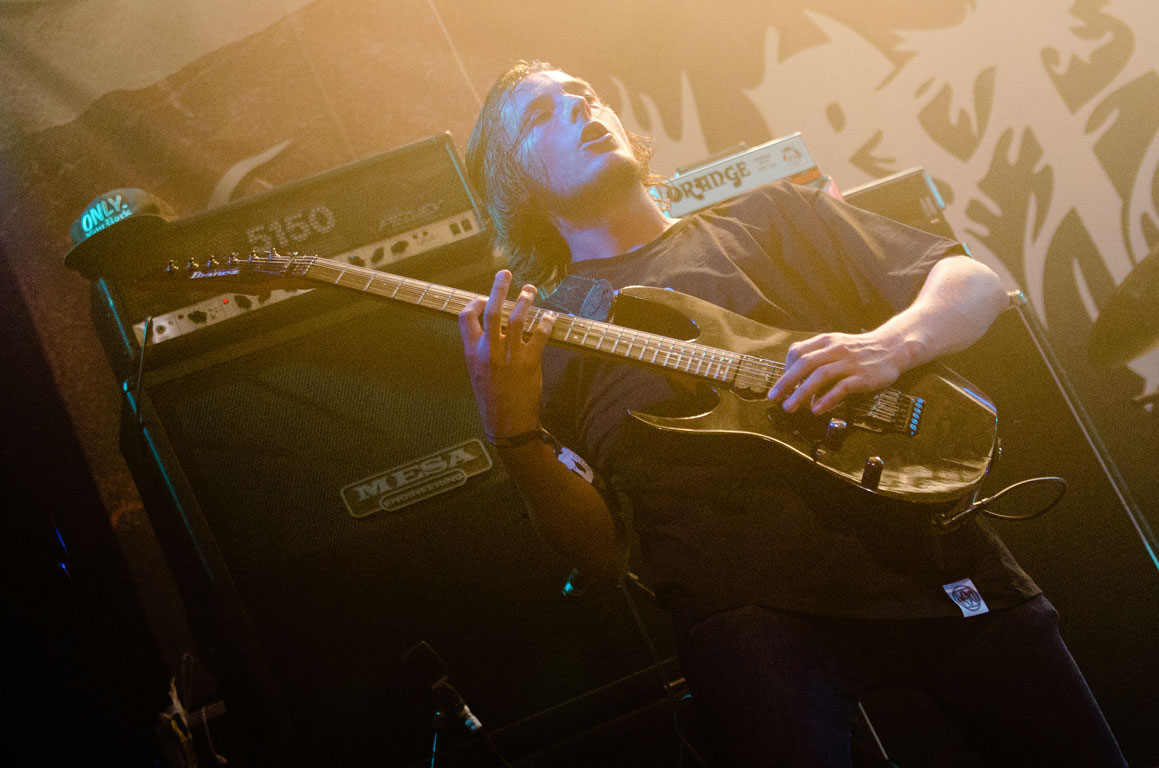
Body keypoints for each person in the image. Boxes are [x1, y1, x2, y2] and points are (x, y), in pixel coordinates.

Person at [457, 59, 1126, 767]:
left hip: (927, 552)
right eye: (541, 116)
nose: (578, 109)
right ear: (511, 184)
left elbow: (975, 282)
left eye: (583, 95)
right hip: (745, 611)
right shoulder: (549, 336)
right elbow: (601, 555)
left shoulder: (770, 215)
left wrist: (888, 346)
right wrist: (511, 431)